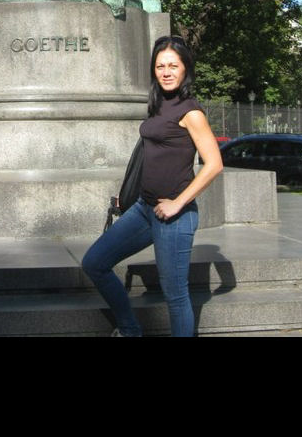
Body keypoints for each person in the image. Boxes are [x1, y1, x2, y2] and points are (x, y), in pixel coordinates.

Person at [82, 36, 223, 337]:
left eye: (173, 65)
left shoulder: (191, 112)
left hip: (174, 216)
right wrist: (129, 192)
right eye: (160, 66)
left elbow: (214, 164)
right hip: (143, 208)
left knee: (176, 296)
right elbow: (152, 154)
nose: (166, 72)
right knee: (95, 262)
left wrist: (178, 203)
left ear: (185, 69)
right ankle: (130, 329)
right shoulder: (159, 104)